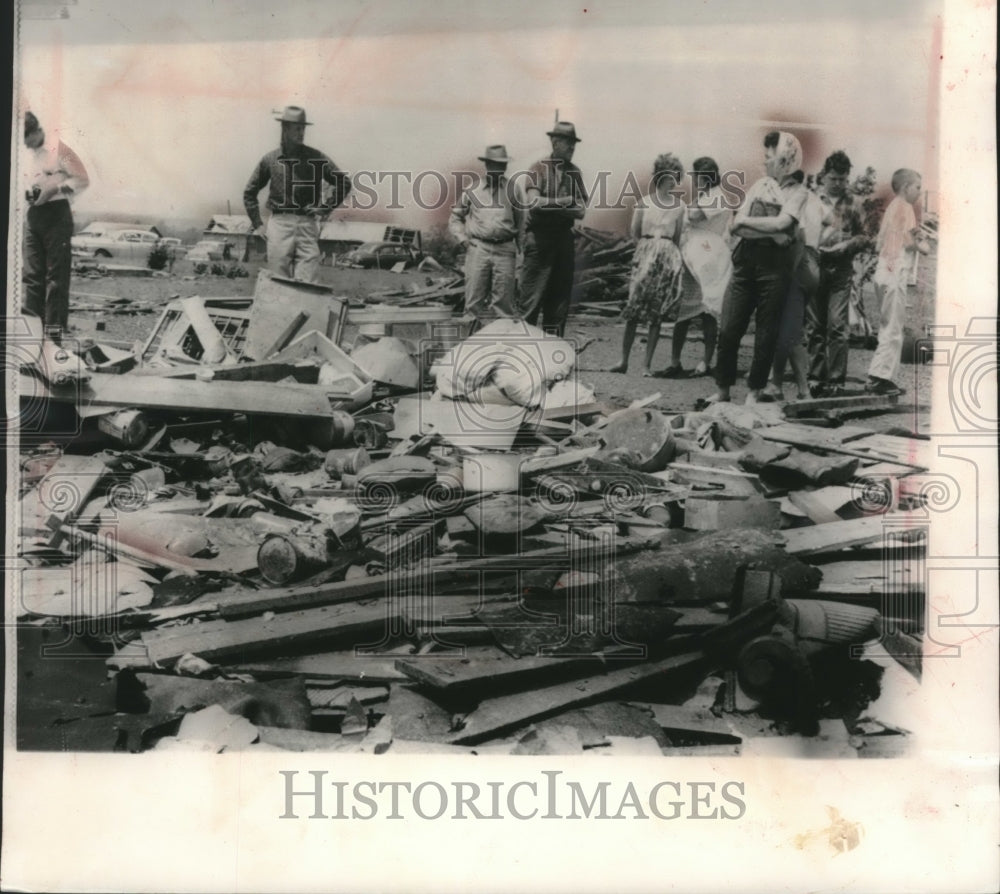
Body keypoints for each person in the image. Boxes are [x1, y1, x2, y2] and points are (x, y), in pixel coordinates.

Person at [705, 131, 808, 406]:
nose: (766, 162)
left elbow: (782, 225)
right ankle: (723, 388)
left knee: (766, 332)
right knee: (728, 328)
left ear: (786, 158)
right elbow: (737, 224)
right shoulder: (760, 185)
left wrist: (757, 227)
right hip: (746, 262)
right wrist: (772, 234)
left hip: (775, 269)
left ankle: (754, 392)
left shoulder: (799, 193)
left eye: (770, 157)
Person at [244, 106, 351, 283]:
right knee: (278, 280)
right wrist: (258, 224)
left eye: (303, 128)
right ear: (285, 128)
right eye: (296, 128)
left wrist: (324, 208)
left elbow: (344, 182)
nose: (301, 133)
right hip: (280, 224)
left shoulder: (315, 157)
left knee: (309, 281)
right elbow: (249, 192)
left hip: (307, 224)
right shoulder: (270, 159)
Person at [608, 153, 686, 376]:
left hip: (667, 259)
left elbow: (678, 237)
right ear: (661, 175)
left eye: (676, 176)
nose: (674, 180)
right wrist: (644, 253)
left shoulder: (680, 207)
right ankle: (623, 361)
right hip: (645, 256)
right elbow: (634, 232)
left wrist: (669, 259)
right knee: (634, 310)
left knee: (656, 314)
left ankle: (646, 366)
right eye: (671, 175)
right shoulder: (644, 202)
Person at [661, 155, 733, 378]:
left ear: (709, 176)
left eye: (699, 176)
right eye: (696, 177)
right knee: (685, 309)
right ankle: (676, 361)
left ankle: (705, 362)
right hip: (695, 254)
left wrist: (684, 209)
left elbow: (694, 216)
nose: (696, 181)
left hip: (708, 256)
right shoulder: (705, 195)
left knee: (707, 311)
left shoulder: (717, 196)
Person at [22, 110, 90, 340]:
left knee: (56, 281)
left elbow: (82, 179)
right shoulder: (23, 154)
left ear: (38, 131)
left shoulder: (59, 149)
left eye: (28, 139)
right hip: (33, 216)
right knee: (32, 277)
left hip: (56, 215)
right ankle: (32, 340)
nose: (27, 146)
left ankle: (53, 340)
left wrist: (56, 188)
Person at [518, 121, 589, 337]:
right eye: (567, 143)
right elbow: (533, 203)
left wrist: (552, 206)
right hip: (539, 241)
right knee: (531, 301)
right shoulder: (537, 168)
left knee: (558, 305)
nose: (571, 148)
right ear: (555, 142)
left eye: (573, 144)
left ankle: (551, 357)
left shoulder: (575, 173)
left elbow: (580, 211)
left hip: (563, 242)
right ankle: (523, 358)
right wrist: (565, 201)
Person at [807, 150, 869, 396]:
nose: (839, 184)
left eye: (843, 179)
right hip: (815, 265)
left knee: (837, 326)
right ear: (824, 176)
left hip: (841, 269)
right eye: (834, 179)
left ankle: (836, 380)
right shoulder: (812, 200)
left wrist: (847, 245)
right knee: (814, 326)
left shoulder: (854, 203)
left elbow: (865, 236)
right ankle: (815, 376)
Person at [866, 168, 929, 394]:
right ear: (905, 188)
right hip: (894, 270)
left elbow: (880, 242)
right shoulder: (905, 207)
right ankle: (879, 377)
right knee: (893, 326)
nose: (919, 193)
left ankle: (881, 375)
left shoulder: (893, 207)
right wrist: (923, 246)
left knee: (888, 324)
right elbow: (910, 242)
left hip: (883, 269)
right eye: (917, 188)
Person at [764, 170, 824, 401]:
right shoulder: (815, 199)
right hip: (813, 261)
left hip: (798, 261)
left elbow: (797, 235)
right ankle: (776, 384)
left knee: (791, 330)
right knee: (785, 328)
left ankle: (803, 390)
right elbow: (830, 223)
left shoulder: (793, 199)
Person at [448, 145, 523, 326]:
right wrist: (464, 240)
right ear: (487, 165)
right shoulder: (472, 189)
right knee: (473, 302)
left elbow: (521, 224)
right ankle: (467, 346)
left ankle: (501, 348)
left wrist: (521, 253)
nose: (498, 171)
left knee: (504, 306)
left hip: (505, 249)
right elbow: (455, 217)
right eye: (494, 166)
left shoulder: (514, 190)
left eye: (502, 166)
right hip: (478, 248)